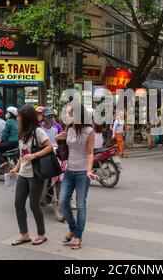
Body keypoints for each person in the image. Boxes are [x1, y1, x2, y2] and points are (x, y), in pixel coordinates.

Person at [56, 102, 99, 250]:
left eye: (70, 113)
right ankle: (73, 228)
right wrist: (57, 138)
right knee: (62, 201)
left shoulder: (89, 131)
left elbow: (90, 152)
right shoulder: (69, 129)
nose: (68, 116)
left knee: (81, 205)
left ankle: (78, 235)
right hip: (69, 171)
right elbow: (64, 146)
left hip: (82, 173)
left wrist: (89, 170)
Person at [9, 105, 53, 246]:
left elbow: (49, 147)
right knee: (18, 203)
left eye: (19, 116)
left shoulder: (38, 131)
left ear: (26, 117)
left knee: (34, 205)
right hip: (23, 173)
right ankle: (25, 234)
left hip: (35, 174)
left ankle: (41, 234)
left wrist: (35, 155)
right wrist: (16, 168)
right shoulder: (22, 133)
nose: (17, 118)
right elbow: (23, 154)